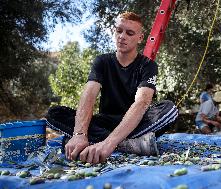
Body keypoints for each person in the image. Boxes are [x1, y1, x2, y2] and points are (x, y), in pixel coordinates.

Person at [46, 12, 178, 164]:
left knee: (169, 110)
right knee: (54, 113)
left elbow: (142, 103)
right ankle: (129, 145)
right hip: (105, 121)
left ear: (140, 38)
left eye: (129, 33)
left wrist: (109, 143)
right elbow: (89, 95)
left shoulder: (148, 65)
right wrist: (80, 134)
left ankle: (102, 142)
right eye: (119, 30)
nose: (122, 36)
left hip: (135, 124)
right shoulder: (102, 61)